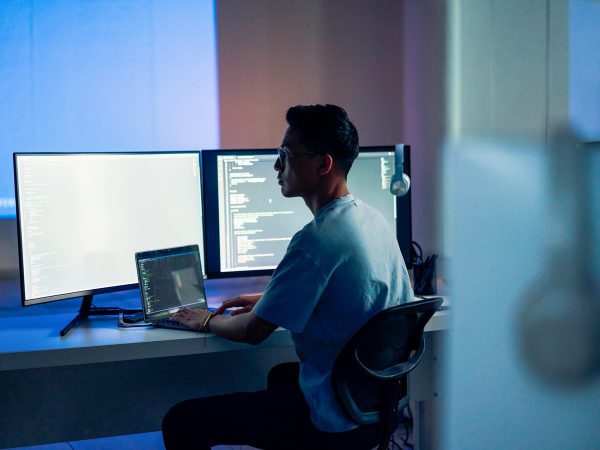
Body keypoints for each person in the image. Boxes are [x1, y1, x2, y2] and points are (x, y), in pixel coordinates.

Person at [162, 104, 414, 449]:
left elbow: (251, 332)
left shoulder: (317, 239)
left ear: (323, 164)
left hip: (339, 418)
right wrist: (270, 300)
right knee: (280, 376)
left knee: (182, 420)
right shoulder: (371, 218)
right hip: (376, 405)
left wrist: (205, 320)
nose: (277, 166)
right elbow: (350, 293)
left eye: (285, 153)